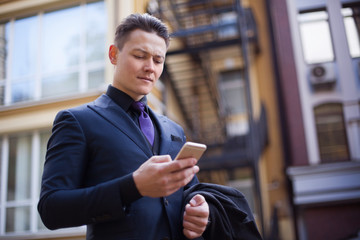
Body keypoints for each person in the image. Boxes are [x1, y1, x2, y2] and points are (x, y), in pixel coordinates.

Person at [38, 13, 210, 240]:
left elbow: (189, 192)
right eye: (140, 56)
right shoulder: (77, 121)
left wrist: (201, 210)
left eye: (158, 60)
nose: (150, 67)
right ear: (113, 54)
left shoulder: (174, 130)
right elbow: (52, 209)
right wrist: (133, 187)